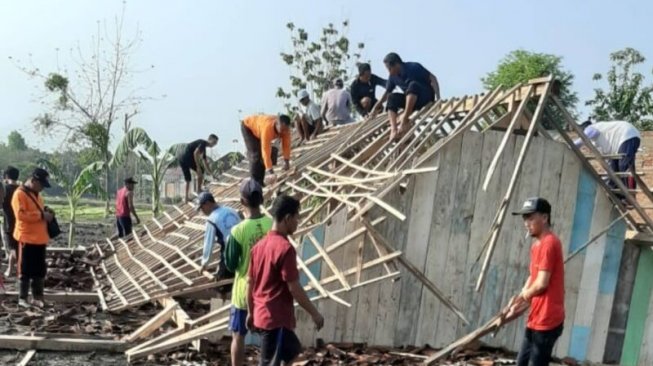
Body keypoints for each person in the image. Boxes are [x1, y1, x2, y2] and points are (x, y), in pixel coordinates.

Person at [247, 194, 324, 366]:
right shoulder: (285, 249)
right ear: (288, 218)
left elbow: (250, 284)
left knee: (294, 354)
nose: (298, 222)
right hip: (275, 320)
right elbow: (294, 287)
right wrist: (315, 313)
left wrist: (251, 312)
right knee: (273, 362)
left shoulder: (258, 247)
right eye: (297, 218)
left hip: (264, 316)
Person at [508, 197, 565, 366]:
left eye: (531, 217)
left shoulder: (549, 243)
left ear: (545, 218)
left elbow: (541, 284)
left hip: (548, 320)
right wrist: (518, 301)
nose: (526, 222)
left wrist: (525, 295)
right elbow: (532, 278)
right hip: (536, 317)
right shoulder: (537, 245)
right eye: (525, 218)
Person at [225, 178, 272, 366]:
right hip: (268, 290)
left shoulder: (238, 231)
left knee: (238, 336)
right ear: (261, 199)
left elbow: (230, 264)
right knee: (268, 338)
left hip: (244, 294)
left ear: (242, 201)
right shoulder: (272, 224)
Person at [371, 52, 441, 141]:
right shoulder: (393, 76)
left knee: (413, 85)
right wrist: (375, 108)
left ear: (396, 64)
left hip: (424, 97)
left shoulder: (413, 67)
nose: (388, 71)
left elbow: (433, 78)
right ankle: (394, 129)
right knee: (392, 97)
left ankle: (404, 119)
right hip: (411, 101)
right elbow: (386, 93)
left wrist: (438, 97)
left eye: (389, 68)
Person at [12, 168, 55, 309]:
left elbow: (37, 211)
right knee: (25, 270)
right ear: (33, 180)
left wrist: (46, 213)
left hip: (40, 239)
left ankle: (38, 297)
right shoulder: (19, 194)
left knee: (39, 271)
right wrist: (41, 215)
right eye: (41, 184)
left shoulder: (37, 195)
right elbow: (21, 215)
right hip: (26, 238)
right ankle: (22, 298)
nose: (42, 188)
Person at [574, 120, 641, 194]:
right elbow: (608, 165)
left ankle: (630, 196)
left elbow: (587, 135)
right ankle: (618, 196)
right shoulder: (598, 142)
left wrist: (571, 146)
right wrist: (604, 179)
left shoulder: (591, 128)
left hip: (627, 135)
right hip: (617, 146)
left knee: (624, 167)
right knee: (613, 170)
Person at [197, 191, 241, 280]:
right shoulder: (231, 210)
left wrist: (204, 264)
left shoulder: (212, 219)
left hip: (229, 253)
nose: (202, 211)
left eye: (202, 207)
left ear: (208, 203)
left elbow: (208, 244)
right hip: (243, 250)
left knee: (221, 286)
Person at [241, 114, 292, 186]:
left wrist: (286, 161)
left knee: (273, 152)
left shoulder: (286, 130)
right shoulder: (267, 129)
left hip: (259, 129)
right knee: (256, 155)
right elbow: (265, 151)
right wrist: (271, 172)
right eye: (282, 129)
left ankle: (261, 181)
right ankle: (255, 183)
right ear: (276, 124)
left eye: (285, 130)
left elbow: (286, 145)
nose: (283, 132)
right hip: (248, 127)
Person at [179, 134, 219, 202]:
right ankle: (199, 190)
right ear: (210, 140)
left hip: (181, 158)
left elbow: (205, 163)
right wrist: (198, 167)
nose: (214, 145)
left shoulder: (203, 148)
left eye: (215, 144)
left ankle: (186, 198)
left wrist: (212, 175)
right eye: (214, 142)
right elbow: (195, 153)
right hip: (186, 156)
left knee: (188, 179)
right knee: (201, 170)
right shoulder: (202, 143)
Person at [2, 166, 20, 277]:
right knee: (16, 246)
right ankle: (11, 268)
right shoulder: (21, 189)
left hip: (9, 222)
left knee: (12, 247)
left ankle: (14, 269)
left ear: (6, 176)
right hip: (21, 222)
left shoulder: (4, 189)